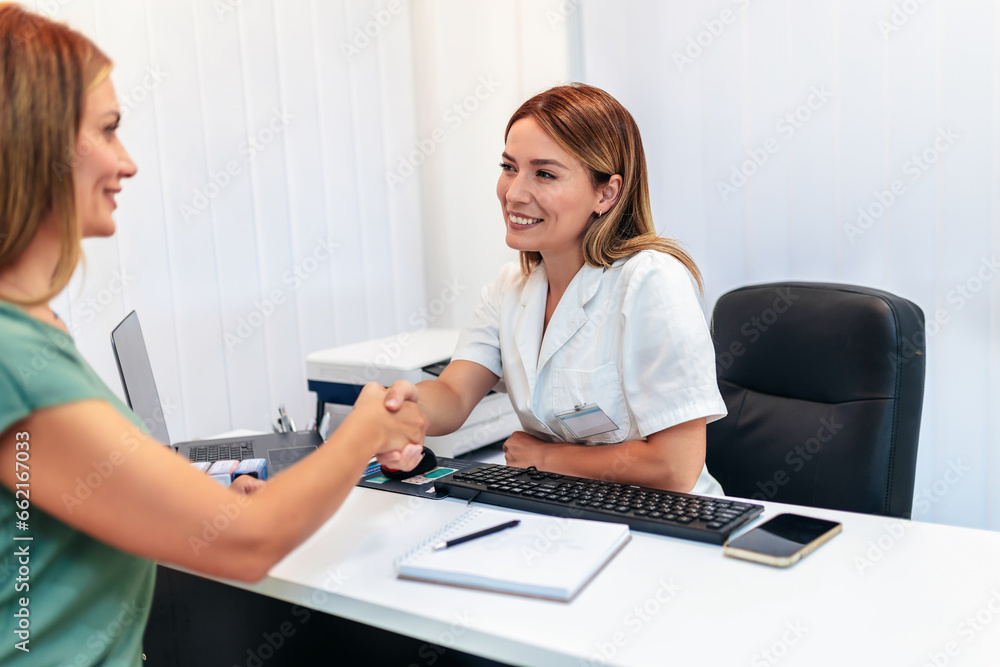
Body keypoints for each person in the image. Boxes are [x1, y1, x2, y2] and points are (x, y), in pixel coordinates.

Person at [0, 6, 425, 665]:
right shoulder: (15, 357)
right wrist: (365, 429)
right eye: (109, 132)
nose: (128, 162)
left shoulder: (31, 327)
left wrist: (197, 501)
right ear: (37, 143)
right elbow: (247, 541)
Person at [382, 83, 726, 495]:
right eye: (509, 167)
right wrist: (404, 411)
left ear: (606, 192)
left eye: (544, 174)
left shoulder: (651, 281)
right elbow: (453, 394)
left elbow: (675, 468)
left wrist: (544, 459)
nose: (514, 192)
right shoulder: (510, 289)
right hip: (563, 509)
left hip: (666, 525)